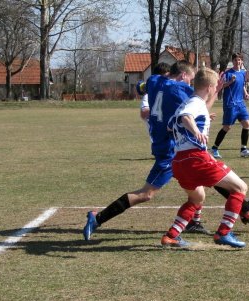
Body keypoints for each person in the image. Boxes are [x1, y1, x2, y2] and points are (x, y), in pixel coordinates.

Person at [82, 61, 212, 240]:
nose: (189, 83)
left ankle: (194, 222)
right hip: (169, 151)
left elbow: (139, 87)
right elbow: (200, 104)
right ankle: (98, 218)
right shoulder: (182, 89)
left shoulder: (154, 80)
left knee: (200, 184)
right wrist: (217, 89)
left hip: (164, 145)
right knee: (146, 194)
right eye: (189, 79)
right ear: (183, 76)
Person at [162, 68, 249, 248]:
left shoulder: (190, 102)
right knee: (240, 188)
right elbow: (187, 116)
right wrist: (196, 131)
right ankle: (224, 233)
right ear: (209, 87)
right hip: (195, 158)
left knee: (197, 199)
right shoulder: (194, 103)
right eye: (214, 88)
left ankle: (171, 236)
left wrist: (200, 121)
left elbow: (171, 127)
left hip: (179, 161)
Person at [211, 53, 249, 158]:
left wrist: (245, 93)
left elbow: (242, 85)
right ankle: (214, 148)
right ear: (232, 61)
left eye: (239, 60)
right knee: (227, 127)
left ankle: (243, 149)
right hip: (230, 104)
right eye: (235, 60)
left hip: (240, 103)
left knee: (246, 124)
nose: (237, 62)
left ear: (242, 61)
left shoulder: (243, 73)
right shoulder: (228, 73)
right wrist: (230, 81)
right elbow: (220, 87)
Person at [136, 63, 170, 137]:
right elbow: (144, 112)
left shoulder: (169, 92)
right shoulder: (148, 95)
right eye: (167, 78)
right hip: (160, 138)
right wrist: (165, 111)